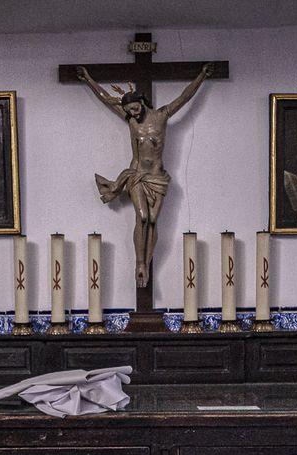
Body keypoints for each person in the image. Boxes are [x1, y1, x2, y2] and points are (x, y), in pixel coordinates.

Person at [77, 63, 214, 287]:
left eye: (135, 107)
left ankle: (146, 263)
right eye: (129, 110)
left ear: (142, 101)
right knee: (141, 217)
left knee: (152, 220)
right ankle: (139, 262)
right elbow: (105, 98)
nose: (133, 112)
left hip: (158, 177)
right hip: (137, 175)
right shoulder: (131, 122)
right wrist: (89, 79)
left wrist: (201, 77)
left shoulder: (162, 116)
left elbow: (184, 98)